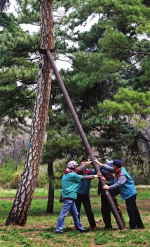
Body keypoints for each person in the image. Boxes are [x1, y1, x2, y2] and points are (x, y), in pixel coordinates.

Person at [96, 158, 144, 229]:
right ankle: (140, 225)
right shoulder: (116, 170)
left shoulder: (122, 174)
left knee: (130, 210)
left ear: (115, 166)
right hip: (129, 193)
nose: (111, 166)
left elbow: (119, 184)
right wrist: (98, 163)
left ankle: (133, 226)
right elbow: (108, 168)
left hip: (130, 193)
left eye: (112, 165)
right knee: (134, 209)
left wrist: (108, 187)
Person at [55, 160, 100, 233]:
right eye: (76, 166)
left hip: (71, 197)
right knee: (63, 214)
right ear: (73, 167)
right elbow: (83, 177)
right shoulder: (72, 175)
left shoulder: (68, 172)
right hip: (69, 196)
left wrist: (87, 163)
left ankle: (80, 228)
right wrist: (95, 176)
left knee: (75, 213)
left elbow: (79, 169)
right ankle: (58, 229)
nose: (77, 167)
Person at [98, 159, 125, 229]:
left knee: (115, 209)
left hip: (111, 194)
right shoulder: (101, 172)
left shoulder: (111, 175)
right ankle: (108, 225)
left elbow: (114, 183)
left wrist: (106, 182)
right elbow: (96, 169)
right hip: (103, 194)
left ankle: (121, 224)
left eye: (107, 164)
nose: (105, 164)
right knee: (104, 210)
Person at [74, 157, 99, 231]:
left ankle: (93, 226)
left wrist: (95, 163)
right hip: (77, 194)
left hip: (85, 194)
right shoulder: (77, 171)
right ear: (80, 163)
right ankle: (76, 225)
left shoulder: (89, 171)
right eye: (82, 162)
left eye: (85, 161)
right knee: (76, 211)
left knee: (89, 211)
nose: (84, 163)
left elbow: (97, 171)